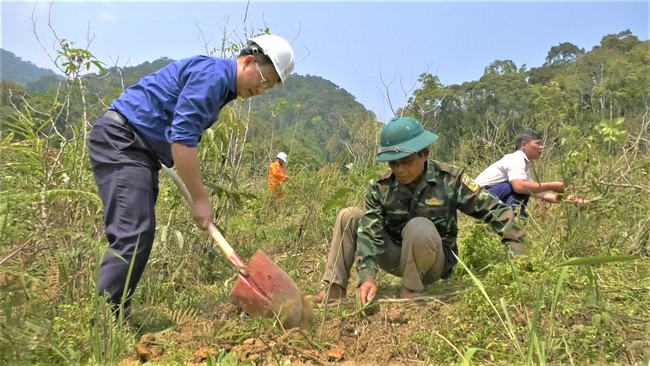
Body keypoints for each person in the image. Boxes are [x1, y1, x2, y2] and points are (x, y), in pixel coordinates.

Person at [88, 34, 295, 319]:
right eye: (263, 80)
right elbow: (183, 140)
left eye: (268, 87)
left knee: (139, 232)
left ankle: (116, 312)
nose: (261, 90)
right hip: (123, 141)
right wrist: (200, 199)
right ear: (248, 61)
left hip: (143, 151)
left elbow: (178, 133)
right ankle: (104, 320)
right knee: (133, 232)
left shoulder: (221, 87)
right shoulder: (212, 77)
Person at [317, 117, 527, 306]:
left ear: (425, 154)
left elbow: (495, 210)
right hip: (395, 256)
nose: (399, 169)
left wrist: (519, 258)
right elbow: (370, 234)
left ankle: (410, 291)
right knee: (349, 215)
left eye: (406, 162)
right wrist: (367, 277)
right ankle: (335, 290)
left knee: (419, 226)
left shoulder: (450, 180)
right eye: (393, 163)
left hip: (433, 262)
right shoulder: (381, 187)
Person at [475, 131, 587, 218]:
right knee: (522, 189)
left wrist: (568, 199)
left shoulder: (524, 166)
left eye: (542, 144)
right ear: (524, 144)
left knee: (526, 193)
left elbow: (541, 194)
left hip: (484, 199)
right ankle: (511, 222)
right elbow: (520, 187)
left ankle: (510, 222)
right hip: (477, 197)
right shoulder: (516, 158)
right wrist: (553, 185)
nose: (542, 147)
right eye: (538, 143)